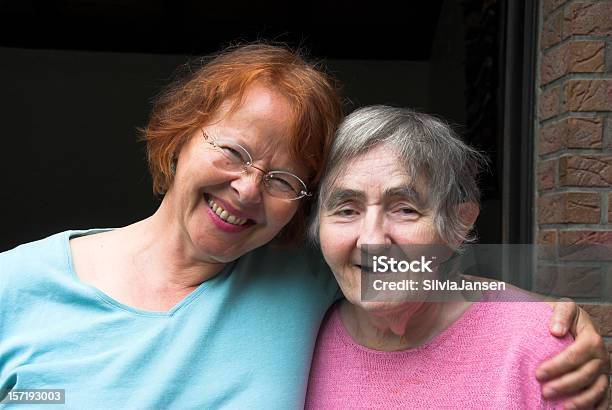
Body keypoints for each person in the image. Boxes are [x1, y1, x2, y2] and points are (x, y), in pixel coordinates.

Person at [0, 44, 607, 409]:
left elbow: (429, 270)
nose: (247, 190)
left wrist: (553, 317)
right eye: (234, 152)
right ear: (179, 137)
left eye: (284, 181)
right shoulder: (15, 285)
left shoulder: (297, 279)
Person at [305, 105, 610, 409]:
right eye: (346, 210)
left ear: (458, 226)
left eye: (405, 209)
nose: (372, 240)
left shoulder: (538, 347)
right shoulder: (301, 340)